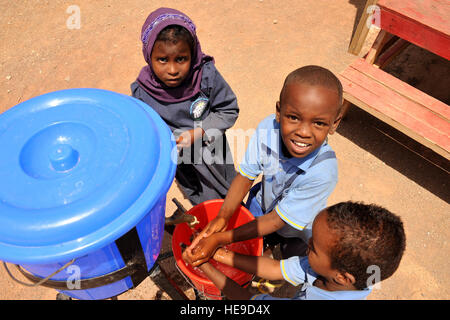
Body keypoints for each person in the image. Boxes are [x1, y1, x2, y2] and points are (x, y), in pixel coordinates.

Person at [186, 65, 343, 262]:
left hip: (297, 226)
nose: (303, 132)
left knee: (292, 255)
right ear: (279, 112)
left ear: (334, 124)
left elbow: (277, 221)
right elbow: (246, 175)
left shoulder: (322, 172)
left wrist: (219, 239)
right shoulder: (269, 128)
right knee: (255, 238)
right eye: (293, 117)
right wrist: (223, 217)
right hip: (264, 204)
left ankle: (273, 259)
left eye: (318, 123)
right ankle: (264, 249)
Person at [182, 201, 406, 300]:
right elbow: (275, 269)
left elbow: (247, 299)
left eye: (314, 248)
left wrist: (203, 265)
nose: (306, 245)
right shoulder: (342, 276)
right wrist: (216, 252)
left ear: (342, 276)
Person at [131, 8, 239, 205]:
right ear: (148, 55)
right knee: (197, 196)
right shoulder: (142, 92)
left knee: (227, 196)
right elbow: (145, 130)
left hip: (212, 152)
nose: (172, 70)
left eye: (181, 59)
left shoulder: (206, 76)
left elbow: (228, 110)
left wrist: (199, 132)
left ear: (193, 54)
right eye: (162, 60)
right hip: (181, 161)